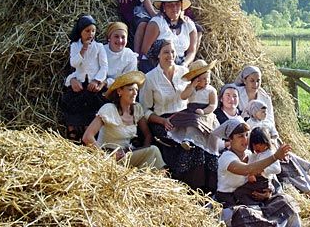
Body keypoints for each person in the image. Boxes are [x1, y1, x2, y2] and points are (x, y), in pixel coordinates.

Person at [139, 39, 217, 192]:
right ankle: (184, 186)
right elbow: (144, 109)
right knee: (188, 146)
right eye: (166, 52)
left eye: (173, 51)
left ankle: (206, 188)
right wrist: (162, 121)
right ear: (158, 55)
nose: (171, 55)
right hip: (163, 120)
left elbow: (198, 92)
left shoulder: (183, 72)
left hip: (187, 117)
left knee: (201, 138)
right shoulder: (150, 78)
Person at [213, 119, 301, 227]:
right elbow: (248, 170)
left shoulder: (252, 155)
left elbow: (269, 176)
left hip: (253, 200)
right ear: (230, 139)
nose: (245, 139)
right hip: (232, 203)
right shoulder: (226, 157)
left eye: (246, 135)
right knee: (245, 215)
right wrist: (274, 157)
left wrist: (267, 193)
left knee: (286, 202)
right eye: (240, 136)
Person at [82, 71, 165, 169]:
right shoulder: (109, 109)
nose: (135, 93)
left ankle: (158, 177)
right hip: (108, 158)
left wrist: (144, 151)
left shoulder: (137, 109)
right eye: (130, 90)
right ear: (119, 91)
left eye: (136, 90)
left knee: (151, 152)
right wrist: (105, 156)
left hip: (126, 155)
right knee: (154, 150)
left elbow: (147, 135)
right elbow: (87, 137)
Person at [246, 102, 310, 197]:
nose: (265, 114)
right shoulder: (249, 124)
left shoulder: (268, 123)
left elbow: (275, 136)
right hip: (267, 162)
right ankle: (307, 191)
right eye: (262, 112)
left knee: (290, 161)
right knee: (287, 166)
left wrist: (271, 143)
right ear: (254, 112)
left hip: (272, 148)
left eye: (265, 112)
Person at [61, 15, 108, 142]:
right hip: (80, 82)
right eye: (87, 31)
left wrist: (97, 80)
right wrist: (83, 50)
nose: (90, 34)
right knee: (72, 103)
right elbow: (74, 63)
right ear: (80, 32)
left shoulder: (99, 47)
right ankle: (73, 132)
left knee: (92, 106)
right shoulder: (75, 46)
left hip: (92, 84)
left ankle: (89, 134)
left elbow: (104, 67)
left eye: (93, 31)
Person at [167, 59, 221, 154]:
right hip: (191, 111)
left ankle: (191, 140)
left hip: (205, 112)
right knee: (186, 121)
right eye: (203, 79)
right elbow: (183, 96)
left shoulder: (211, 90)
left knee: (194, 122)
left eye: (208, 78)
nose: (207, 81)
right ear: (196, 80)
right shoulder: (190, 87)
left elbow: (213, 105)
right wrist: (192, 87)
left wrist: (204, 111)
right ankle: (185, 140)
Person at [139, 0, 197, 72]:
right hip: (156, 65)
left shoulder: (189, 25)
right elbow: (145, 50)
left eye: (177, 4)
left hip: (180, 65)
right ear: (164, 8)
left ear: (181, 6)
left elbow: (192, 51)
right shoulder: (157, 23)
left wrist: (184, 64)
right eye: (170, 5)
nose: (174, 8)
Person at [68, 22, 138, 91]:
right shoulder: (100, 50)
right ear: (109, 38)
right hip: (95, 87)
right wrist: (72, 79)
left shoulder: (130, 57)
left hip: (117, 91)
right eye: (116, 36)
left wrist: (105, 82)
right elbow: (84, 67)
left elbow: (126, 81)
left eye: (123, 37)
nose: (120, 40)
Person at [233, 127, 282, 206]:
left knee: (242, 192)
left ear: (266, 143)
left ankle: (258, 205)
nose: (257, 147)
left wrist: (263, 170)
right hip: (255, 180)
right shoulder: (254, 155)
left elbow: (277, 169)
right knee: (240, 191)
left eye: (260, 144)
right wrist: (250, 174)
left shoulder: (270, 154)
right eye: (254, 144)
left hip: (263, 181)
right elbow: (250, 166)